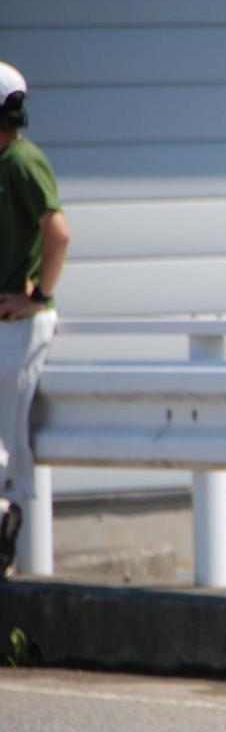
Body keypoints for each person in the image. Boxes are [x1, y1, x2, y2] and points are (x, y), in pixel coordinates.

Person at [0, 61, 70, 579]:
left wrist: (40, 295)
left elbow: (58, 231)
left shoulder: (23, 162)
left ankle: (9, 523)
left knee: (8, 439)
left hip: (14, 322)